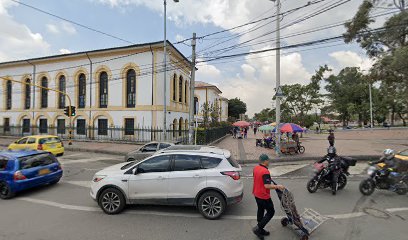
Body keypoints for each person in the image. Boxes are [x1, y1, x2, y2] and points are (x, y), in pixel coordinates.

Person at [252, 154, 285, 239]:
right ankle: (258, 228)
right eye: (268, 160)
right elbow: (267, 185)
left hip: (256, 193)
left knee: (260, 210)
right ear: (265, 161)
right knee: (271, 212)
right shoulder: (265, 171)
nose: (269, 162)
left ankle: (260, 229)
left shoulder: (256, 168)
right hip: (263, 196)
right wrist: (278, 186)